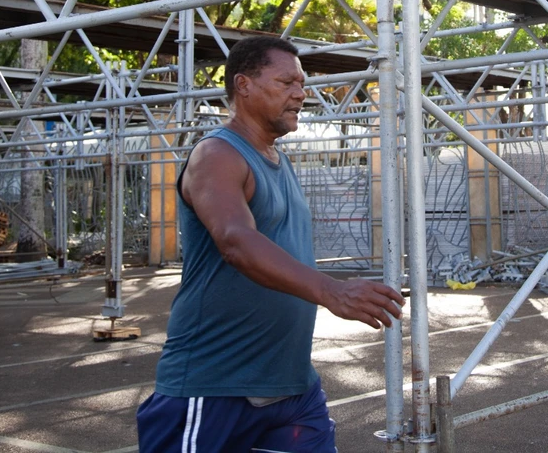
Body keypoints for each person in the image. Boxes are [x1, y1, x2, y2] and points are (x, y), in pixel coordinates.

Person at [137, 36, 403, 453]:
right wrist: (331, 291)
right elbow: (236, 242)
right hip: (215, 386)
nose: (301, 93)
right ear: (243, 85)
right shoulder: (217, 155)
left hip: (291, 386)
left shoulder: (277, 157)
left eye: (301, 83)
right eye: (287, 82)